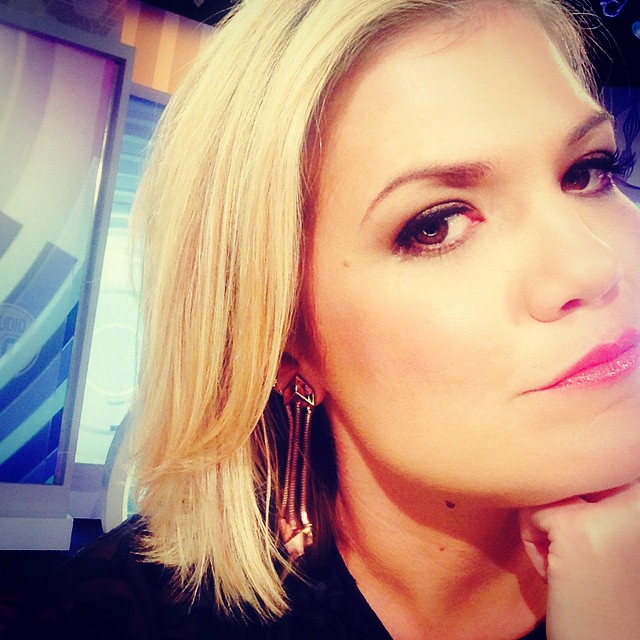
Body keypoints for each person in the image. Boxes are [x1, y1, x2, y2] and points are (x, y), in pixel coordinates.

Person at [7, 0, 640, 638]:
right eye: (437, 225)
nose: (593, 265)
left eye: (587, 172)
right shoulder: (111, 619)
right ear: (286, 341)